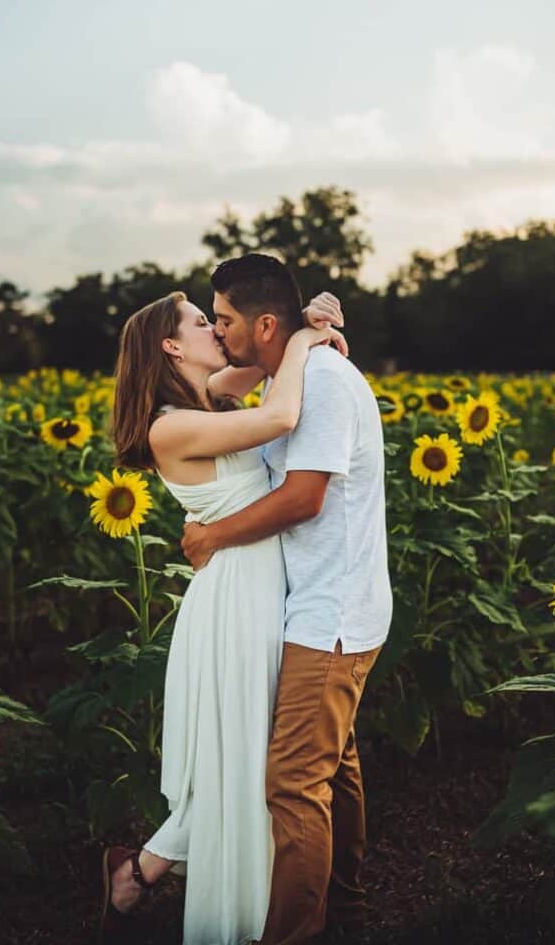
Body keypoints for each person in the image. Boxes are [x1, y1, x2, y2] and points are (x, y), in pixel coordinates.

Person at [99, 282, 347, 945]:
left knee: (247, 757)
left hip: (258, 591)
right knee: (239, 758)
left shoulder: (208, 398)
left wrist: (311, 323)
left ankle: (138, 877)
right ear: (171, 345)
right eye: (202, 322)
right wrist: (299, 339)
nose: (218, 328)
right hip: (234, 603)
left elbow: (263, 362)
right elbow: (282, 414)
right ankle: (150, 884)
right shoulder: (170, 425)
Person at [181, 253, 393, 944]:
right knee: (338, 764)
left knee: (294, 785)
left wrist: (213, 536)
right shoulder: (293, 371)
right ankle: (349, 916)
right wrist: (302, 335)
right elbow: (217, 381)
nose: (217, 331)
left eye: (224, 320)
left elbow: (304, 498)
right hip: (321, 602)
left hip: (332, 610)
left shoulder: (324, 384)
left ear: (261, 323)